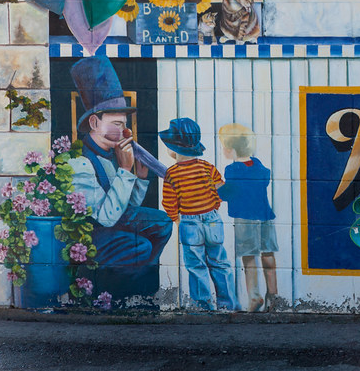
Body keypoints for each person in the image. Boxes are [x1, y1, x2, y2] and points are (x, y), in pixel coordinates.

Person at [69, 56, 172, 300]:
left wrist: (141, 178)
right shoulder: (81, 164)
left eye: (125, 124)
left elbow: (129, 208)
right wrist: (125, 172)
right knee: (140, 245)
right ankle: (122, 290)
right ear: (94, 122)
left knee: (164, 223)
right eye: (116, 123)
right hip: (93, 235)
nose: (124, 132)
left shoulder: (114, 154)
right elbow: (106, 217)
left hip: (114, 224)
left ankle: (138, 282)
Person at [160, 117, 238, 311]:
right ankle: (228, 304)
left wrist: (178, 221)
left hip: (189, 222)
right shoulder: (207, 167)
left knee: (196, 267)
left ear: (174, 148)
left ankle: (203, 307)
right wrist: (214, 206)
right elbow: (221, 190)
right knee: (220, 263)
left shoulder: (172, 174)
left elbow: (169, 203)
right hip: (212, 219)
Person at [216, 123, 282, 312]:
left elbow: (228, 193)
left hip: (245, 219)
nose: (223, 150)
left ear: (231, 149)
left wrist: (216, 187)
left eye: (223, 147)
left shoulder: (233, 170)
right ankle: (273, 295)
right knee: (268, 253)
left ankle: (254, 297)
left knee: (249, 257)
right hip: (265, 216)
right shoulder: (259, 166)